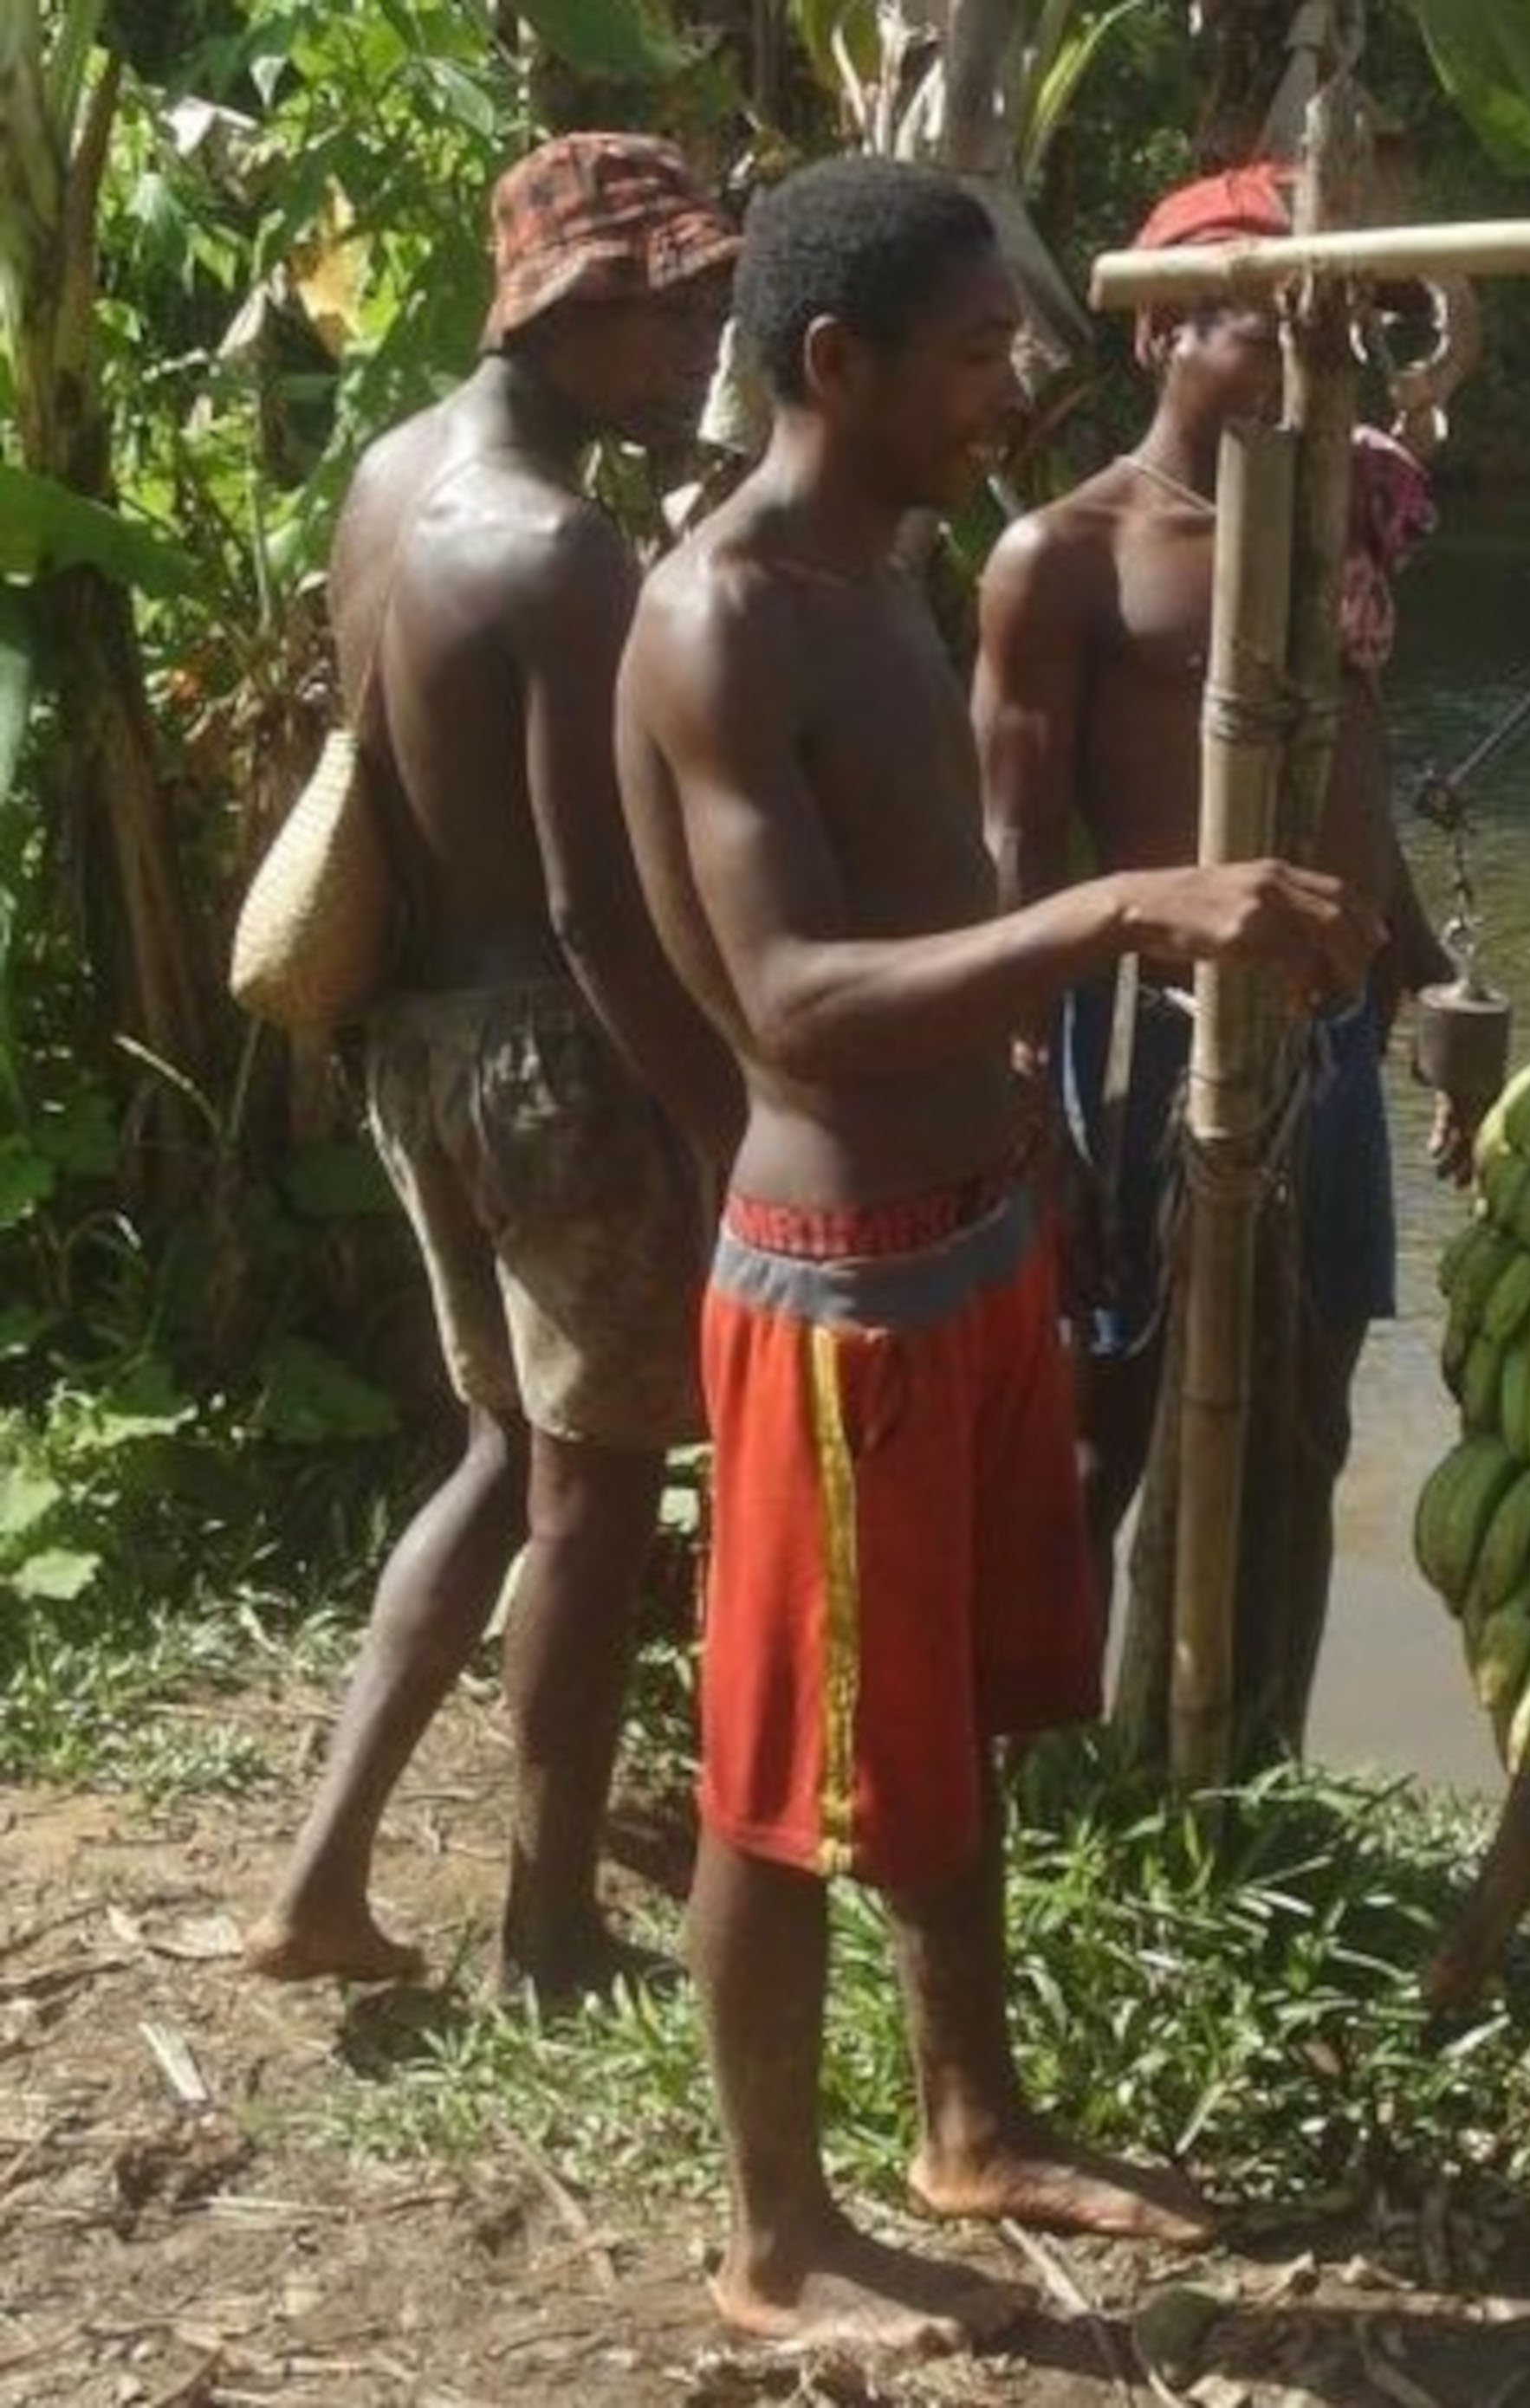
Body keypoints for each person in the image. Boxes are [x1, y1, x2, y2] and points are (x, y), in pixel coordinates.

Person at [613, 155, 1380, 2353]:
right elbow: (791, 1000)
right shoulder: (725, 611)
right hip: (839, 1273)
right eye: (973, 354)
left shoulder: (893, 563)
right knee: (779, 1780)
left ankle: (974, 2116)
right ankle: (774, 2241)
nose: (1014, 386)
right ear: (834, 366)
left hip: (972, 1235)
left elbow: (950, 884)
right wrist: (1126, 915)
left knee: (943, 1701)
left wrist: (1036, 1140)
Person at [248, 133, 745, 2009]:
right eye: (679, 306)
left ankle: (322, 1872)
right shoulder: (559, 548)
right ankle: (550, 1927)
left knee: (505, 1454)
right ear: (576, 304)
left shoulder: (390, 480)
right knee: (594, 1497)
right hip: (553, 1065)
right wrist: (726, 1120)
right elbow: (600, 909)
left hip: (417, 1047)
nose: (703, 345)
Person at [974, 164, 1455, 1747]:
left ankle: (1251, 1760)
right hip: (1143, 1039)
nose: (1322, 357)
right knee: (1112, 1425)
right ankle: (1059, 1768)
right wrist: (1031, 1089)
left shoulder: (1339, 528)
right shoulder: (1070, 554)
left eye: (1345, 325)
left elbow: (1356, 778)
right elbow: (1020, 846)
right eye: (1274, 319)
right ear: (1159, 336)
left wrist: (1423, 973)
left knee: (1302, 1416)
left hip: (1323, 1042)